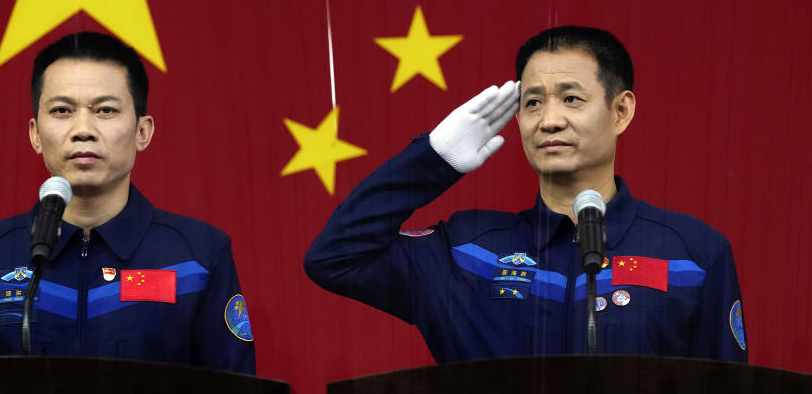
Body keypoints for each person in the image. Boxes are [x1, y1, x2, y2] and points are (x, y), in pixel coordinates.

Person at [304, 26, 747, 362]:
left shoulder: (693, 254)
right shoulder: (465, 250)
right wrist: (433, 159)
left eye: (571, 99)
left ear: (620, 111)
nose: (548, 120)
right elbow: (335, 258)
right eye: (532, 102)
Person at [0, 32, 255, 373]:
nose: (83, 129)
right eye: (61, 110)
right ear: (35, 134)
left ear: (142, 132)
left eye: (105, 110)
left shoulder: (198, 258)